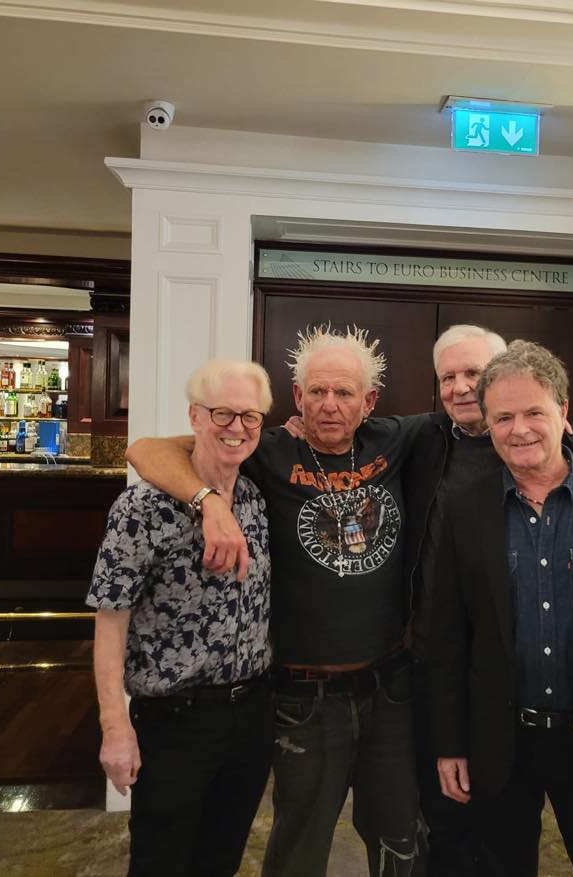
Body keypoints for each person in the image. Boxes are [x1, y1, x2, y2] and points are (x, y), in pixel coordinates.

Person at [127, 327, 425, 877]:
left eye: (343, 393)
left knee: (400, 836)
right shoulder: (267, 450)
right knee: (300, 844)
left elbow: (497, 422)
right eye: (317, 392)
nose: (329, 405)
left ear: (370, 402)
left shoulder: (397, 440)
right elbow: (146, 450)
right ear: (297, 394)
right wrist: (208, 502)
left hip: (389, 688)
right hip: (303, 695)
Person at [405, 324, 573, 876]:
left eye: (533, 413)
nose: (518, 429)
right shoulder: (463, 508)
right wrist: (449, 744)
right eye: (502, 418)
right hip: (500, 742)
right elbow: (449, 637)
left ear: (563, 411)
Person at [87, 359, 274, 877]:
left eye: (250, 416)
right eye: (222, 413)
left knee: (222, 859)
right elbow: (110, 619)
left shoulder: (257, 500)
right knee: (161, 862)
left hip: (250, 714)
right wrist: (114, 725)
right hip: (174, 719)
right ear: (194, 416)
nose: (236, 428)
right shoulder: (140, 509)